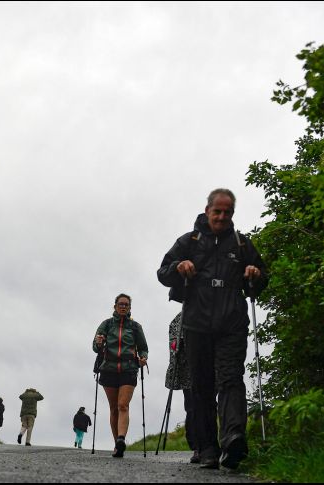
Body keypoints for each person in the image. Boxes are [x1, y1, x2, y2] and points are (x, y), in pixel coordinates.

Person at [157, 188, 268, 470]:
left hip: (232, 323)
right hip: (197, 324)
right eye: (217, 211)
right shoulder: (189, 241)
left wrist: (255, 274)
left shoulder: (241, 244)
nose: (221, 216)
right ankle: (207, 447)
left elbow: (262, 278)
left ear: (232, 213)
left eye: (227, 212)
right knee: (202, 385)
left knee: (231, 378)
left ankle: (233, 439)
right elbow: (163, 272)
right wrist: (179, 266)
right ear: (207, 210)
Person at [92, 293, 149, 458]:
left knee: (123, 405)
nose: (123, 307)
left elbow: (143, 347)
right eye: (120, 304)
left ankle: (121, 439)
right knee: (113, 408)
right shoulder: (106, 324)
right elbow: (95, 347)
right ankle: (117, 444)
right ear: (115, 306)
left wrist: (143, 357)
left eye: (126, 304)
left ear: (130, 307)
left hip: (129, 369)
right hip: (108, 368)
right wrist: (99, 343)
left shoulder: (135, 327)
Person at [164, 311, 199, 463]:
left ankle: (209, 445)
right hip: (189, 373)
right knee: (193, 408)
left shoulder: (215, 310)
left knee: (207, 406)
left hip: (210, 371)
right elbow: (174, 348)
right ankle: (197, 446)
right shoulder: (180, 319)